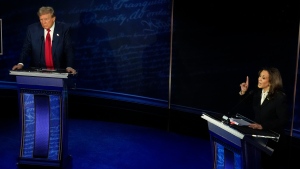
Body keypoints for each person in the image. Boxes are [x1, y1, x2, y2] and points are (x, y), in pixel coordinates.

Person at [239, 67, 289, 169]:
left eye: (263, 77)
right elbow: (247, 108)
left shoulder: (279, 97)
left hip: (273, 142)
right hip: (257, 139)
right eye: (259, 76)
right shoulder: (257, 93)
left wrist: (263, 126)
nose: (259, 79)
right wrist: (243, 93)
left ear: (271, 81)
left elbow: (283, 120)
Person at [12, 6, 76, 74]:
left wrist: (69, 66)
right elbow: (26, 48)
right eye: (41, 19)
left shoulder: (63, 29)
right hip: (37, 71)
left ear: (53, 18)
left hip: (58, 70)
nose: (43, 22)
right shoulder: (32, 29)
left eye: (46, 19)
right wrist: (20, 63)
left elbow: (68, 49)